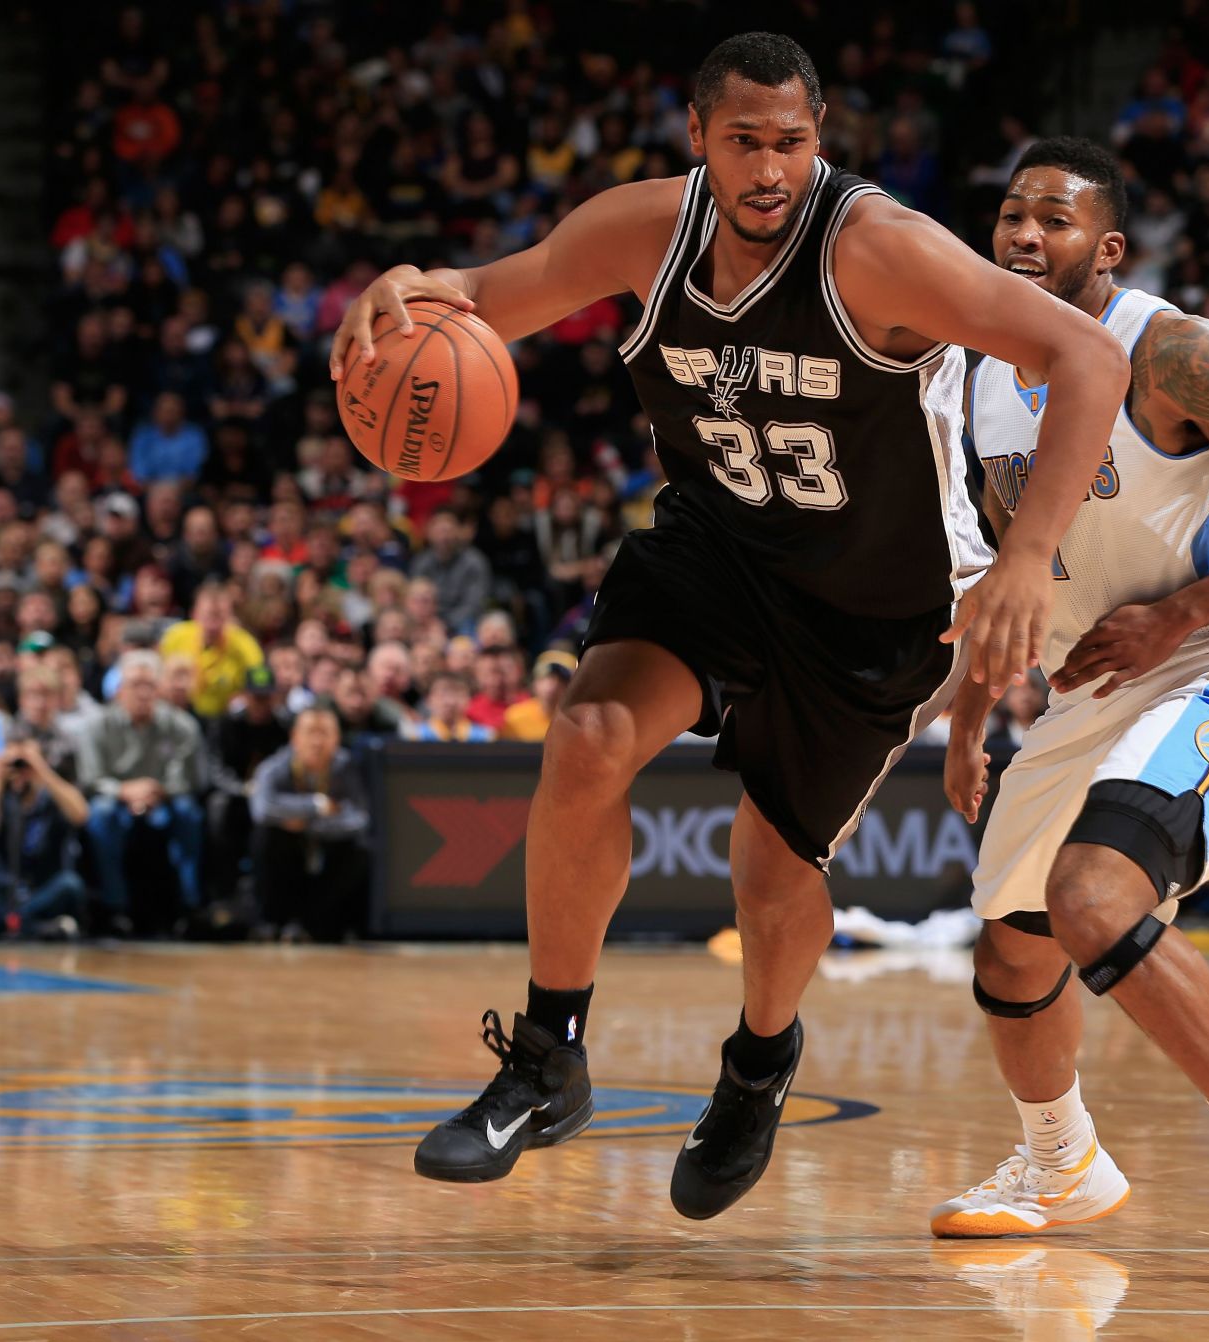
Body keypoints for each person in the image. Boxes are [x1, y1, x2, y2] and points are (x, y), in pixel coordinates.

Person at [330, 35, 1129, 1204]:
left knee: (768, 864)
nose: (770, 169)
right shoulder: (640, 231)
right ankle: (550, 1056)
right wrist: (404, 290)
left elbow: (1089, 355)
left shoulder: (881, 252)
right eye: (745, 143)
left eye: (793, 144)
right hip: (719, 547)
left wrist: (1028, 554)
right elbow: (486, 303)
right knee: (589, 736)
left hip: (875, 595)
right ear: (698, 136)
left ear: (822, 141)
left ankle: (758, 1063)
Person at [928, 138, 1209, 1289]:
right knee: (1014, 934)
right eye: (1011, 216)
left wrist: (1179, 613)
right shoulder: (975, 371)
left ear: (1108, 249)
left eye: (1055, 220)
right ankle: (1061, 1164)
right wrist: (976, 704)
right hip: (1094, 678)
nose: (1026, 237)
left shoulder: (1173, 350)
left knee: (1092, 897)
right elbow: (1007, 565)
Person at [77, 650, 205, 928]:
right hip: (116, 800)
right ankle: (115, 907)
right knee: (101, 813)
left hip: (164, 800)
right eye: (136, 684)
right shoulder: (97, 725)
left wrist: (156, 791)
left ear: (159, 690)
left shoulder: (181, 725)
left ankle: (189, 906)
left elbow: (192, 778)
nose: (143, 693)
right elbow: (90, 779)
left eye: (150, 685)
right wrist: (124, 791)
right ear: (119, 689)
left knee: (188, 812)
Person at [249, 707, 371, 942]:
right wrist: (316, 806)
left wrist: (309, 826)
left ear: (337, 738)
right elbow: (262, 809)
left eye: (324, 733)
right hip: (289, 852)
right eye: (310, 733)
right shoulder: (275, 767)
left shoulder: (347, 767)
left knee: (361, 850)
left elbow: (359, 818)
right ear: (295, 737)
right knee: (265, 836)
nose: (317, 741)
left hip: (328, 847)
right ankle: (271, 921)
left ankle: (313, 924)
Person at [0, 727, 90, 941]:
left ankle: (12, 927)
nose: (21, 768)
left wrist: (42, 771)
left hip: (41, 889)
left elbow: (81, 814)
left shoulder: (49, 796)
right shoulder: (0, 798)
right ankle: (38, 928)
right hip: (2, 892)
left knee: (70, 885)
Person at [205, 665, 291, 899]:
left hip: (273, 798)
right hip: (237, 796)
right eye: (256, 697)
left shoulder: (284, 726)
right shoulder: (226, 724)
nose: (261, 704)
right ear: (245, 695)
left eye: (266, 698)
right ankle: (223, 893)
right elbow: (215, 770)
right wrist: (243, 789)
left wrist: (265, 791)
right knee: (218, 808)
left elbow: (289, 767)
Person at [158, 581, 266, 719]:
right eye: (208, 614)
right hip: (181, 712)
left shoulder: (245, 643)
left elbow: (261, 684)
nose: (213, 623)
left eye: (219, 615)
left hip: (226, 718)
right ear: (194, 613)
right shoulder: (175, 637)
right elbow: (158, 678)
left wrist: (243, 699)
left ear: (230, 615)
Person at [501, 650, 575, 741]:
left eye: (562, 680)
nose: (552, 685)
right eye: (545, 677)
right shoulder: (514, 718)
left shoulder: (580, 722)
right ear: (535, 682)